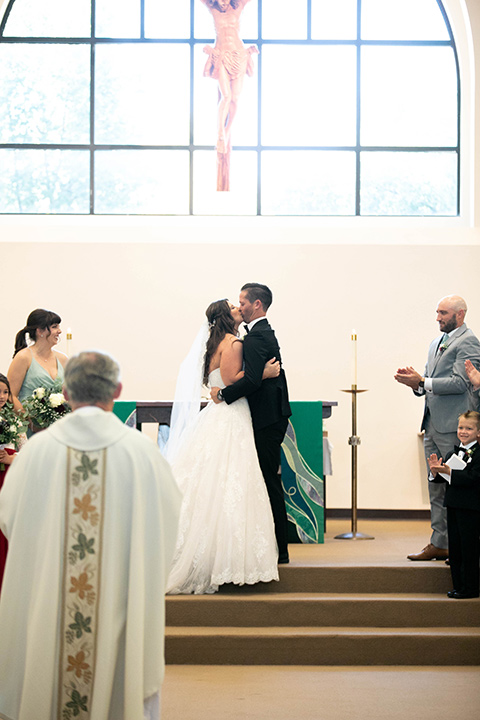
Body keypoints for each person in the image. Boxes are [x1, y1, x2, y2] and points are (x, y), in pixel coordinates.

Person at [0, 351, 181, 720]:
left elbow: (10, 519)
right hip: (120, 596)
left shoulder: (36, 452)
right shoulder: (142, 454)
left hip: (50, 602)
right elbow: (169, 520)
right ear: (117, 389)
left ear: (65, 392)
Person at [166, 299, 280, 594]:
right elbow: (230, 380)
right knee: (233, 479)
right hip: (231, 415)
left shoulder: (215, 342)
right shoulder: (233, 343)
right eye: (233, 306)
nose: (238, 309)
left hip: (220, 412)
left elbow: (216, 383)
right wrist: (263, 374)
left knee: (215, 481)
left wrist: (221, 391)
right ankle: (227, 558)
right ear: (225, 316)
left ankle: (216, 553)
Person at [394, 295, 480, 561]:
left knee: (459, 487)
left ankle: (462, 546)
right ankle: (439, 541)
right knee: (437, 486)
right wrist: (416, 384)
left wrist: (425, 381)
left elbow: (460, 383)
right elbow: (430, 382)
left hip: (456, 427)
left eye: (443, 313)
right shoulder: (436, 342)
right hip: (432, 424)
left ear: (460, 314)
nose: (438, 318)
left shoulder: (469, 342)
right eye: (437, 312)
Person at [211, 283, 292, 564]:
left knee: (268, 481)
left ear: (257, 304)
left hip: (267, 419)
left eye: (242, 302)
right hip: (264, 416)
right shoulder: (257, 333)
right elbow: (256, 376)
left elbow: (252, 379)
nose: (240, 306)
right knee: (259, 480)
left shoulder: (256, 337)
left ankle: (280, 549)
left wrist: (222, 394)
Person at [200, 0, 258, 189]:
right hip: (222, 54)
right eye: (219, 0)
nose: (223, 3)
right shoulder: (212, 9)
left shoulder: (238, 7)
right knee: (225, 96)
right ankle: (220, 135)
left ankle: (227, 130)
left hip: (239, 54)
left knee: (235, 98)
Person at [428, 411, 480, 599]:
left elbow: (474, 477)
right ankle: (458, 585)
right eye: (460, 428)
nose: (463, 432)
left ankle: (471, 587)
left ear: (478, 432)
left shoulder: (479, 454)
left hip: (471, 508)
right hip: (454, 506)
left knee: (469, 548)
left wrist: (450, 472)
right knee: (456, 547)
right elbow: (443, 479)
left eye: (469, 428)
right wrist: (436, 472)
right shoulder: (453, 452)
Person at [8, 308, 68, 413]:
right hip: (30, 426)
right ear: (39, 331)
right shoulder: (23, 357)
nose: (60, 331)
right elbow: (10, 395)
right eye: (54, 327)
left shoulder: (63, 359)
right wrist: (30, 421)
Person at [0, 374, 17, 594]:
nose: (2, 397)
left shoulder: (12, 420)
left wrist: (12, 459)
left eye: (5, 392)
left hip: (8, 478)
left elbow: (27, 450)